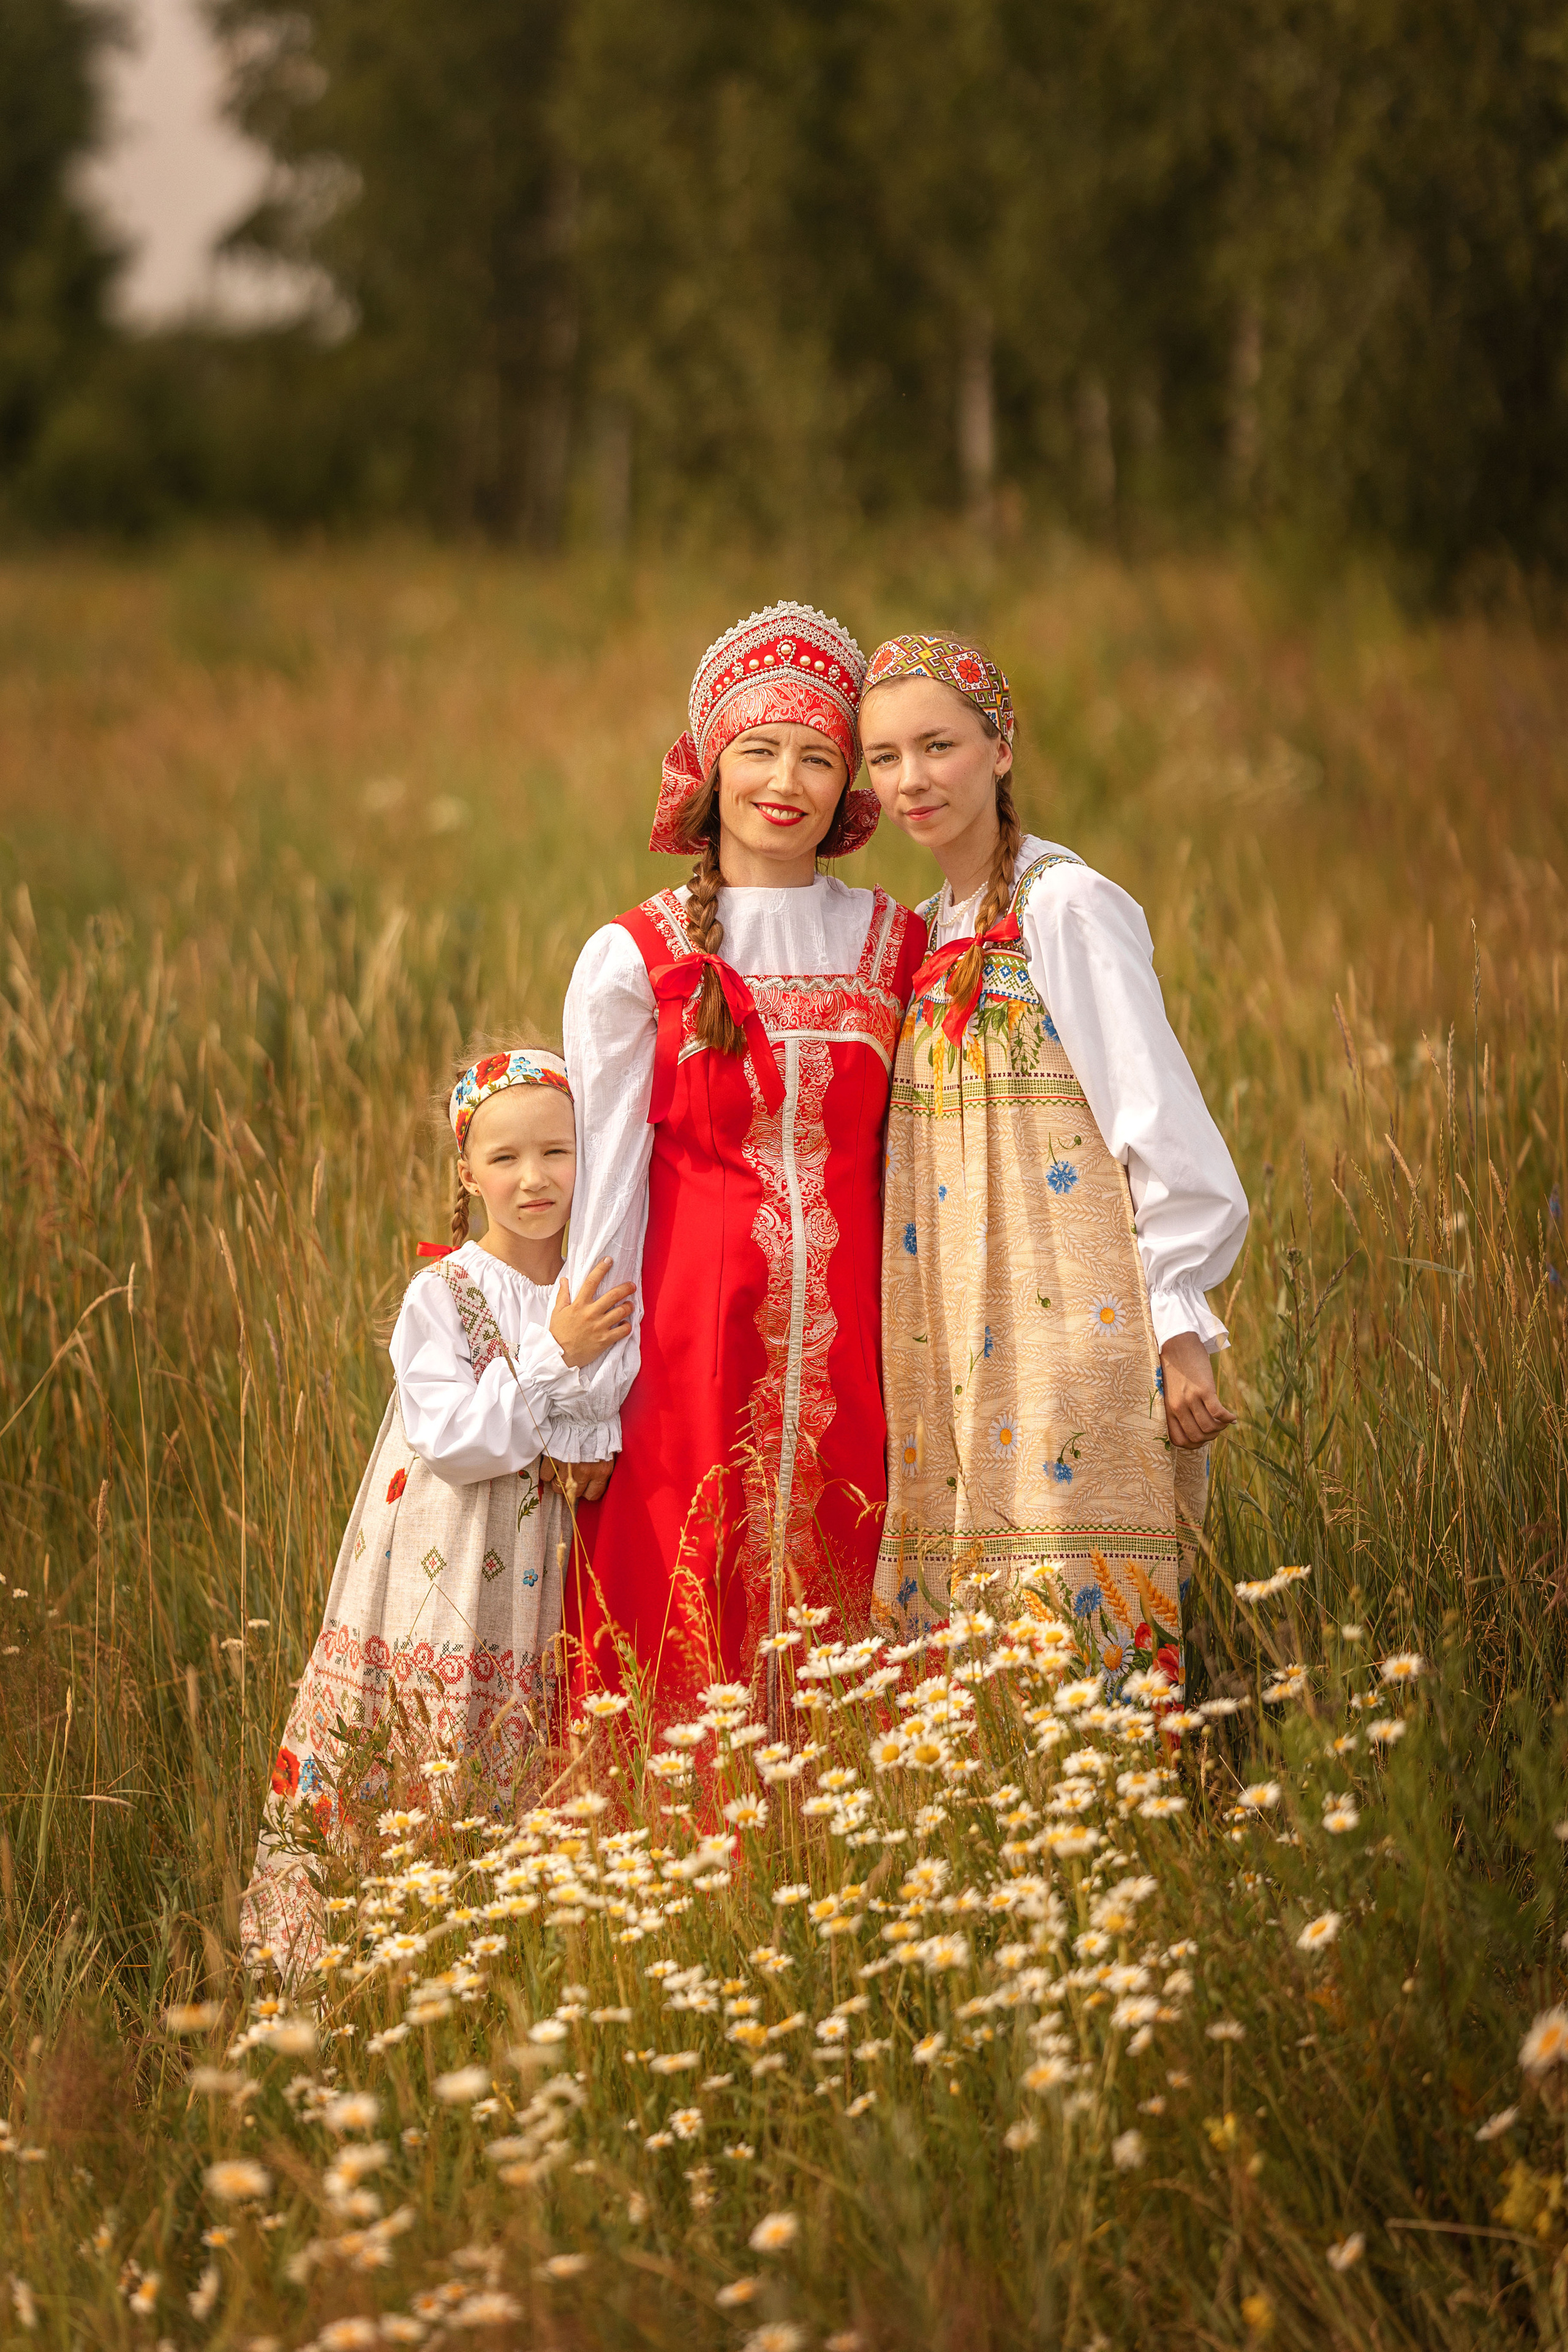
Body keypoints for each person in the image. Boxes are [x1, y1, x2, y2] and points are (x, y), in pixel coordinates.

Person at [555, 601, 927, 1723]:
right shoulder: (638, 955)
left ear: (848, 788)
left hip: (860, 1348)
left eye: (819, 756)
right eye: (759, 750)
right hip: (684, 1350)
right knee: (685, 1602)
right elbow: (609, 1189)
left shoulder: (896, 943)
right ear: (708, 770)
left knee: (848, 1593)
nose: (787, 781)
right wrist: (583, 1401)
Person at [859, 632, 1248, 1692]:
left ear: (1001, 744)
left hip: (1079, 1321)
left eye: (937, 746)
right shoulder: (929, 931)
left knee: (1076, 1594)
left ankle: (1118, 1829)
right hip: (962, 1329)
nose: (911, 781)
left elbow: (1161, 1125)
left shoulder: (1063, 908)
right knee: (978, 1614)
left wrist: (1182, 1327)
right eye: (885, 758)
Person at [239, 1044, 633, 1968]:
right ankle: (364, 1946)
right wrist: (551, 1358)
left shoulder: (594, 1281)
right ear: (468, 1172)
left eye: (557, 1151)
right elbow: (454, 1439)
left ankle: (493, 1948)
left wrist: (589, 1449)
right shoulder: (445, 1292)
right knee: (431, 1717)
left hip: (545, 1560)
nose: (534, 1178)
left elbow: (604, 1415)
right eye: (504, 1159)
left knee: (520, 1734)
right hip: (447, 1549)